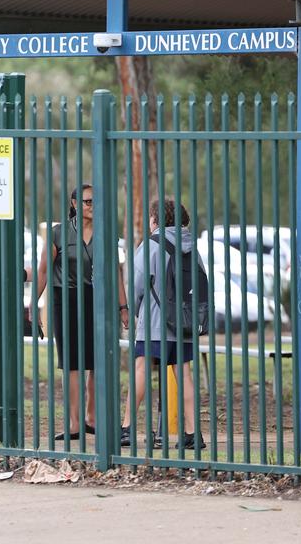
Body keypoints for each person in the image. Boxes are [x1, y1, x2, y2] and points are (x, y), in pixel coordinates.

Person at [33, 184, 126, 441]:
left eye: (95, 201)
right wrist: (32, 304)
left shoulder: (105, 233)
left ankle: (93, 418)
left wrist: (123, 307)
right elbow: (43, 271)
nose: (92, 206)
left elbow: (115, 272)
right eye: (87, 201)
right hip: (66, 299)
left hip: (99, 301)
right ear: (74, 204)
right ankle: (74, 424)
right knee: (72, 364)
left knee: (97, 362)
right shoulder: (58, 233)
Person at [120, 198, 205, 450]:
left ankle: (126, 428)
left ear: (156, 219)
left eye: (150, 217)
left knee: (141, 370)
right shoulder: (192, 246)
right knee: (185, 375)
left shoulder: (152, 245)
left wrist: (134, 312)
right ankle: (192, 433)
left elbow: (137, 284)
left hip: (156, 321)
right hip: (185, 323)